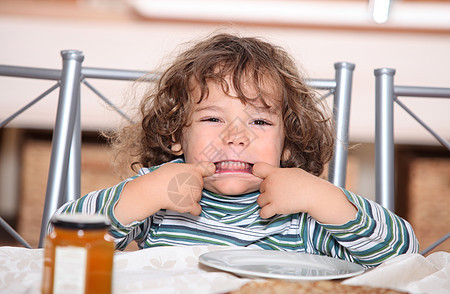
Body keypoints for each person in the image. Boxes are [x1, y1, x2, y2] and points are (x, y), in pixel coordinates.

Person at [53, 32, 418, 268]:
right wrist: (145, 193)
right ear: (177, 135)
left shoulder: (301, 211)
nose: (235, 136)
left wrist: (325, 200)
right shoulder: (162, 195)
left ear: (287, 144)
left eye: (259, 122)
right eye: (212, 119)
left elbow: (404, 257)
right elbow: (63, 245)